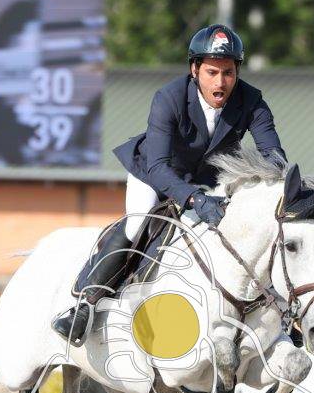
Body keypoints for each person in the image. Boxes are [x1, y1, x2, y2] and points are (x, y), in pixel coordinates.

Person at [51, 24, 287, 346]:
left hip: (208, 181)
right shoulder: (170, 97)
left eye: (228, 73)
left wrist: (273, 180)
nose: (221, 82)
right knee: (137, 224)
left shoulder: (252, 101)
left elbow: (273, 155)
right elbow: (158, 166)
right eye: (212, 72)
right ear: (195, 69)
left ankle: (280, 313)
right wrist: (193, 199)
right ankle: (85, 306)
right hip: (154, 174)